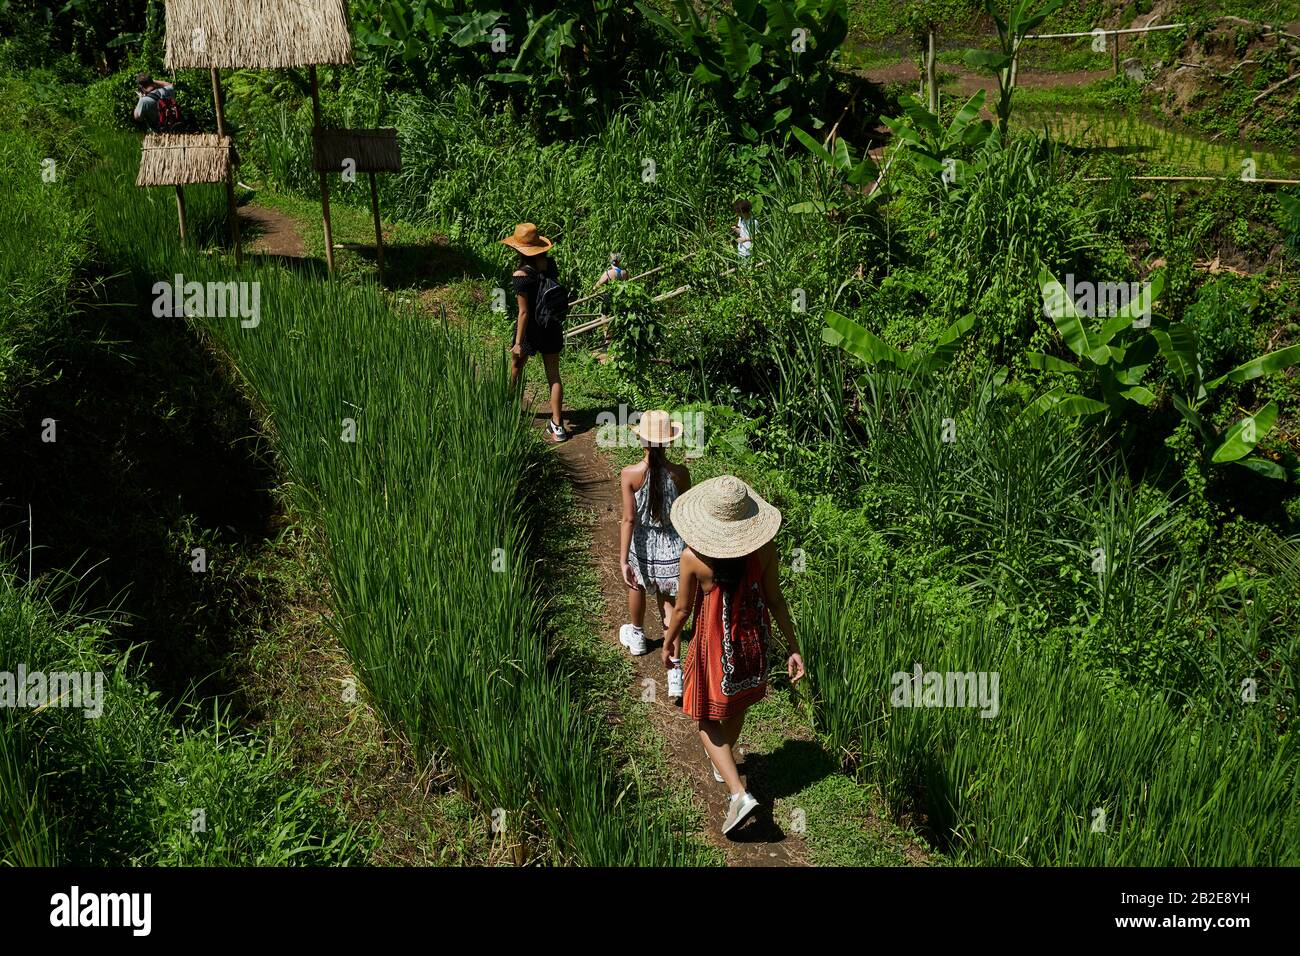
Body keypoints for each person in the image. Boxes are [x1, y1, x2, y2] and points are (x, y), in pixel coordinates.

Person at [662, 475, 805, 837]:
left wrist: (669, 641)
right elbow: (776, 600)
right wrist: (792, 646)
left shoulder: (693, 558)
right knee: (736, 704)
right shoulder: (765, 551)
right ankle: (723, 762)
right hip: (752, 641)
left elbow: (680, 610)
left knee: (704, 718)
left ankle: (739, 795)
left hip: (715, 648)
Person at [619, 410, 691, 660]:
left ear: (642, 440)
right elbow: (684, 514)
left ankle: (637, 635)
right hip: (672, 546)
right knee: (668, 605)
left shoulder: (629, 474)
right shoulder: (680, 473)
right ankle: (674, 669)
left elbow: (629, 519)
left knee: (636, 585)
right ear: (669, 441)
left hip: (643, 544)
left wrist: (623, 560)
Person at [502, 222, 567, 442]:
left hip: (530, 330)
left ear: (518, 249)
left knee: (516, 368)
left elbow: (523, 313)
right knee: (553, 376)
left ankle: (507, 411)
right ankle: (558, 426)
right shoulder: (549, 265)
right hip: (551, 326)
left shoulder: (520, 275)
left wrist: (518, 343)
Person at [593, 252, 627, 349]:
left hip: (609, 298)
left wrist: (596, 289)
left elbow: (596, 286)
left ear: (610, 262)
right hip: (621, 298)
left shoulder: (608, 273)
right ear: (619, 261)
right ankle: (620, 340)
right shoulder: (625, 272)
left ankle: (607, 341)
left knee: (605, 318)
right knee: (619, 317)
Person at [732, 198, 756, 264]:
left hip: (748, 251)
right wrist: (736, 230)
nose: (737, 214)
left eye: (739, 212)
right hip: (741, 250)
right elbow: (742, 232)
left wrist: (744, 239)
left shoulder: (753, 222)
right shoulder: (741, 219)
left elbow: (757, 237)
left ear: (744, 212)